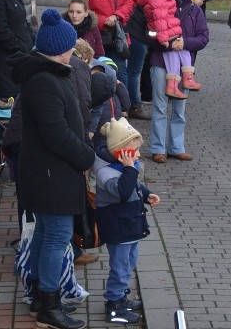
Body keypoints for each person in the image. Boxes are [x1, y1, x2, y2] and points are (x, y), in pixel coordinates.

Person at [9, 9, 95, 329]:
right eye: (71, 46)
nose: (74, 51)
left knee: (45, 235)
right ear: (61, 48)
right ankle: (48, 306)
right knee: (55, 237)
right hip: (50, 175)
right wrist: (86, 157)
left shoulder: (48, 75)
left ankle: (37, 297)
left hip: (48, 173)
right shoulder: (44, 80)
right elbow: (56, 134)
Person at [94, 117, 160, 324]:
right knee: (120, 265)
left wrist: (146, 194)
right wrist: (131, 169)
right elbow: (122, 191)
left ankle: (121, 296)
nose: (139, 155)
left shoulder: (124, 168)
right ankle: (114, 305)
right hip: (118, 226)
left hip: (129, 225)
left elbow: (134, 185)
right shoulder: (106, 173)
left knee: (129, 262)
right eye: (136, 151)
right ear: (121, 152)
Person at [148, 0, 208, 163]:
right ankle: (158, 148)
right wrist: (164, 42)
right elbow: (148, 35)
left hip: (184, 66)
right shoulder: (157, 6)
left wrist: (185, 43)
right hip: (160, 61)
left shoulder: (195, 11)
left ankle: (177, 147)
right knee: (160, 106)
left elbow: (203, 38)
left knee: (179, 109)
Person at [137, 0, 202, 100]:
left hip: (173, 33)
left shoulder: (193, 9)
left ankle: (188, 78)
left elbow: (203, 37)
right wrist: (164, 39)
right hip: (166, 38)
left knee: (185, 54)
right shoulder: (158, 1)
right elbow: (159, 22)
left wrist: (185, 43)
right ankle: (172, 85)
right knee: (173, 57)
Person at [76, 0, 133, 84]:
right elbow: (84, 10)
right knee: (98, 69)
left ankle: (124, 102)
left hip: (116, 35)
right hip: (96, 34)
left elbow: (128, 3)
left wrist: (116, 16)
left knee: (120, 71)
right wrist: (104, 21)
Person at [122, 0, 160, 118]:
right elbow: (128, 1)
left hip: (152, 28)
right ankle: (133, 104)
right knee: (134, 69)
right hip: (137, 28)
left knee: (147, 66)